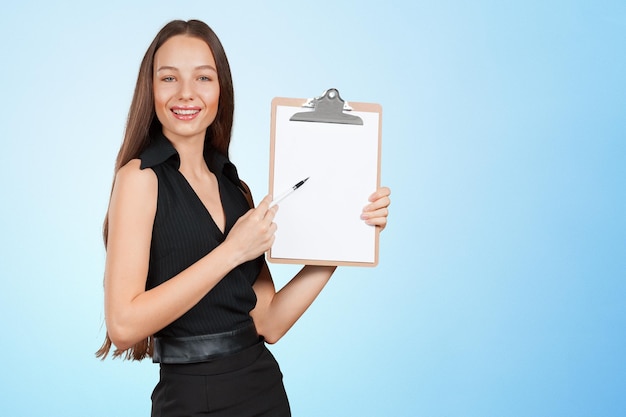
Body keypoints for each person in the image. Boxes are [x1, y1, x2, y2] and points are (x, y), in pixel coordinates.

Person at [96, 19, 391, 417]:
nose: (186, 93)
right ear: (150, 88)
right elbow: (123, 325)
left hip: (263, 388)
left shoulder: (237, 189)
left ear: (221, 90)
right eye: (169, 78)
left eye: (203, 77)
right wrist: (232, 251)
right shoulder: (139, 179)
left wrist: (346, 235)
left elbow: (270, 321)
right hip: (189, 397)